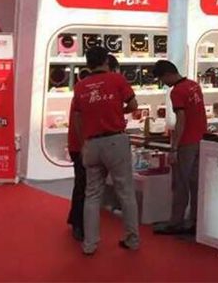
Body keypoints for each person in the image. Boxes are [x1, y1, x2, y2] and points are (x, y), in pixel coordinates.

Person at [71, 47, 139, 255]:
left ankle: (90, 244)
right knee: (125, 192)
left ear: (88, 63)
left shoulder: (80, 86)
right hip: (115, 141)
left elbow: (78, 118)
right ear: (106, 61)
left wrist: (84, 143)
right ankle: (132, 239)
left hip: (92, 143)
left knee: (92, 195)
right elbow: (133, 105)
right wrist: (119, 110)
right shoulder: (117, 80)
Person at [66, 54, 119, 242]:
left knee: (84, 184)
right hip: (85, 143)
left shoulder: (85, 87)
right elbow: (80, 119)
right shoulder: (93, 88)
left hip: (83, 143)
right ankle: (79, 224)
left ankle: (77, 220)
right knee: (85, 185)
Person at [152, 60, 208, 235]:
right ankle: (194, 221)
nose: (163, 83)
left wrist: (174, 147)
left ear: (167, 74)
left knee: (180, 183)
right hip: (200, 138)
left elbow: (181, 120)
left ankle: (176, 221)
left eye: (162, 79)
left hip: (186, 142)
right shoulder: (194, 85)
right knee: (196, 183)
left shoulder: (177, 91)